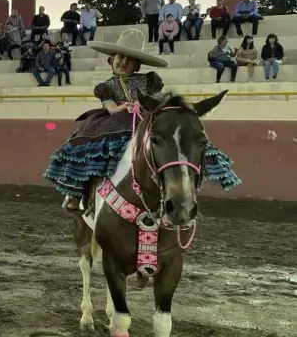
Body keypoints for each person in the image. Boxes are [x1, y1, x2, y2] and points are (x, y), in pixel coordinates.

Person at [44, 29, 240, 210]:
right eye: (120, 57)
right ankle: (78, 192)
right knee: (88, 140)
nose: (123, 62)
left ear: (137, 64)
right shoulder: (105, 86)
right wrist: (125, 106)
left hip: (143, 117)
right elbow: (111, 109)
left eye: (130, 60)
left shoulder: (149, 80)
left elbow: (159, 101)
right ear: (111, 60)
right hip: (115, 121)